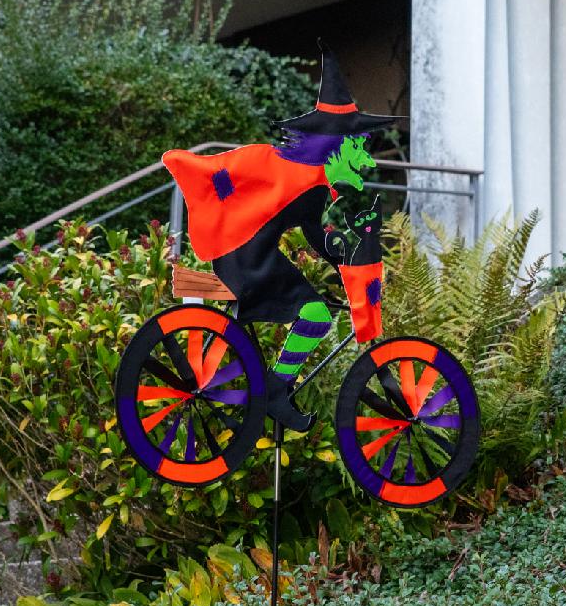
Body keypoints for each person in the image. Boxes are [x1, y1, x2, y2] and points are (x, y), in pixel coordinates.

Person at [161, 44, 397, 430]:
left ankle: (270, 386)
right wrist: (343, 256)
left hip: (242, 252)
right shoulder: (305, 183)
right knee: (317, 315)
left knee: (313, 311)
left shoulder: (306, 180)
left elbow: (313, 232)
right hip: (247, 256)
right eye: (360, 149)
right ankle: (275, 389)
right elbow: (314, 232)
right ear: (339, 147)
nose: (368, 161)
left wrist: (340, 256)